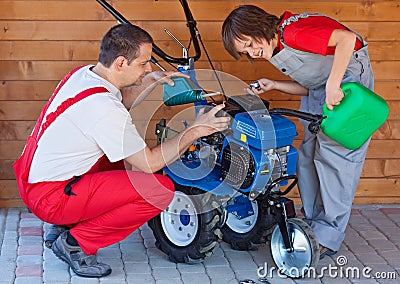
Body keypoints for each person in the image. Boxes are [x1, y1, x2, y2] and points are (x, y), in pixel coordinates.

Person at [13, 23, 230, 278]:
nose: (150, 68)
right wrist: (195, 130)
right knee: (158, 190)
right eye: (144, 64)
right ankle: (74, 242)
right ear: (120, 63)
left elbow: (120, 98)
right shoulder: (103, 109)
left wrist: (149, 81)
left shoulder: (84, 75)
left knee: (126, 163)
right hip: (51, 196)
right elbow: (149, 163)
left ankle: (65, 222)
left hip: (36, 180)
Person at [221, 5, 374, 259]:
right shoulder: (277, 47)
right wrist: (274, 85)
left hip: (348, 83)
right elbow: (311, 86)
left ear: (257, 26)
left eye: (248, 43)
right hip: (323, 88)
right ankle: (313, 224)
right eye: (245, 51)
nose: (253, 53)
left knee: (334, 160)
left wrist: (334, 85)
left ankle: (328, 235)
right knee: (307, 156)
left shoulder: (293, 33)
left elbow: (348, 40)